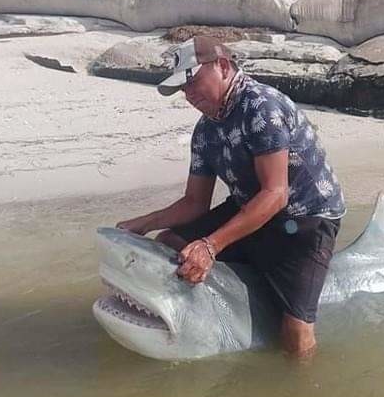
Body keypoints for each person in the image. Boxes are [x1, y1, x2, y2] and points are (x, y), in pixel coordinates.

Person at [117, 36, 346, 358]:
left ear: (223, 66)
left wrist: (210, 246)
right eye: (184, 90)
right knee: (170, 240)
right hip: (251, 204)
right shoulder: (206, 130)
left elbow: (276, 194)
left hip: (305, 217)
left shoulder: (262, 108)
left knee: (295, 330)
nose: (190, 96)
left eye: (193, 83)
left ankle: (299, 396)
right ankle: (192, 318)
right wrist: (143, 224)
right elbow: (194, 203)